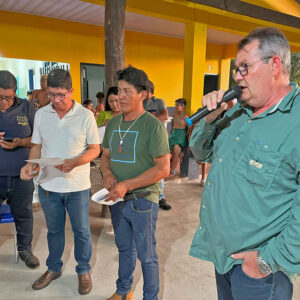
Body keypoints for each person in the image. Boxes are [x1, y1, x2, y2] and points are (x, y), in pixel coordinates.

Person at [189, 27, 299, 300]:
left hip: (260, 273)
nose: (237, 78)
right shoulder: (235, 110)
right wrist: (210, 120)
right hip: (223, 256)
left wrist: (266, 260)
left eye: (244, 68)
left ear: (274, 64)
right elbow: (200, 153)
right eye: (235, 69)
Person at [20, 69, 100, 295]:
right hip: (49, 187)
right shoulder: (42, 114)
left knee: (82, 231)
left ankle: (83, 270)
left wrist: (74, 162)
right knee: (54, 231)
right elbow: (36, 144)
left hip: (77, 188)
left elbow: (95, 150)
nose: (56, 100)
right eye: (51, 94)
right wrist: (31, 164)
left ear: (71, 91)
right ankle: (53, 268)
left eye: (61, 95)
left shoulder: (85, 116)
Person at [101, 66, 170, 300]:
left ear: (143, 94)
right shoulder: (112, 124)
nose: (119, 96)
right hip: (117, 199)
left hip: (143, 202)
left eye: (126, 91)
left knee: (147, 256)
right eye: (119, 90)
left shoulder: (153, 126)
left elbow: (163, 169)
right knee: (124, 249)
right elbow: (105, 157)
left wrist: (127, 184)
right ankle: (123, 292)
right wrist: (108, 174)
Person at [0, 70, 39, 269]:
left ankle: (25, 249)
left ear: (16, 93)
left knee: (24, 215)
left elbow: (39, 138)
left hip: (21, 175)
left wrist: (20, 142)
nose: (4, 102)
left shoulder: (27, 108)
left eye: (8, 97)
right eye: (0, 97)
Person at [144, 80, 171, 210]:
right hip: (144, 141)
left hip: (157, 141)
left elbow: (164, 115)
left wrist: (146, 121)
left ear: (150, 90)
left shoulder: (158, 102)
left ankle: (160, 197)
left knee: (159, 169)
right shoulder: (140, 103)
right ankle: (148, 194)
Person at [169, 98, 189, 176]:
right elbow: (173, 124)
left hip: (181, 134)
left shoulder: (186, 116)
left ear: (183, 106)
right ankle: (180, 154)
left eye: (177, 105)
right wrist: (171, 132)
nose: (176, 107)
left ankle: (173, 170)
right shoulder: (174, 114)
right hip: (173, 133)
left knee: (176, 152)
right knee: (170, 153)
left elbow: (190, 127)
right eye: (175, 105)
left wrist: (187, 135)